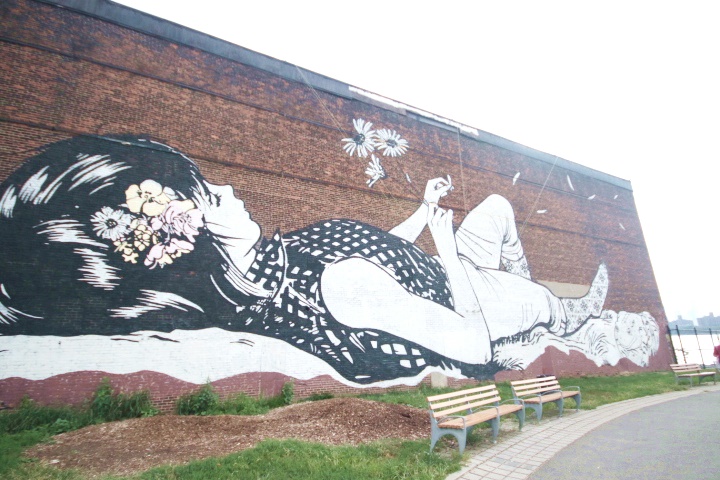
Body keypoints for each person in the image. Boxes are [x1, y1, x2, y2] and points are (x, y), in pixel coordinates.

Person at [0, 135, 656, 384]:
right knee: (523, 273)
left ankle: (549, 299)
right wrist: (450, 252)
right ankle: (566, 312)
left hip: (424, 260)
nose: (229, 189)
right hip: (473, 294)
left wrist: (424, 218)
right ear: (195, 243)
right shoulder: (340, 289)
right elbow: (474, 348)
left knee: (495, 211)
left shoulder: (271, 270)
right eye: (211, 194)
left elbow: (366, 251)